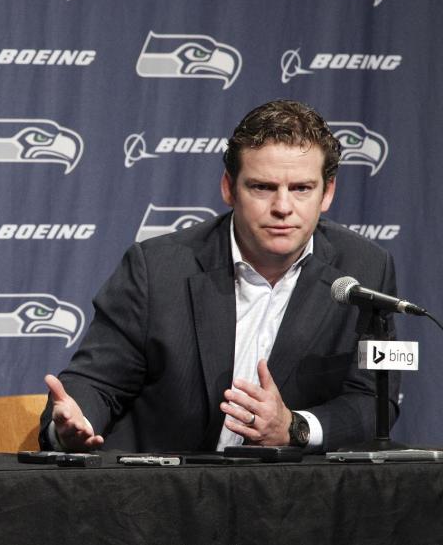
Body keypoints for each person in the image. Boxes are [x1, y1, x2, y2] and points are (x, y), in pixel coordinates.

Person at [41, 99, 399, 453]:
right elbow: (96, 382)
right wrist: (75, 422)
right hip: (164, 494)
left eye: (301, 189)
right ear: (229, 188)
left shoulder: (364, 269)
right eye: (262, 187)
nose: (283, 207)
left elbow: (373, 400)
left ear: (328, 193)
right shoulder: (157, 268)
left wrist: (295, 426)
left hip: (292, 496)